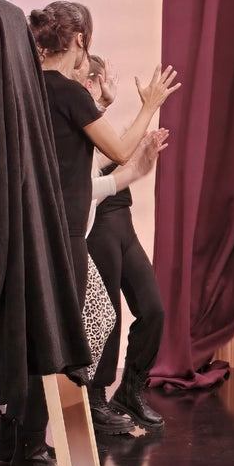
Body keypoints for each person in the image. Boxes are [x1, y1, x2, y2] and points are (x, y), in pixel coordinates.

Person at [0, 1, 179, 466]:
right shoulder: (67, 90)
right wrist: (150, 104)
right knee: (58, 342)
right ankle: (32, 448)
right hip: (64, 237)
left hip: (38, 233)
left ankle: (16, 448)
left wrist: (105, 108)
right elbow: (119, 150)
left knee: (38, 338)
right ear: (79, 41)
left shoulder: (31, 87)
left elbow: (70, 146)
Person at [79, 55, 167, 432]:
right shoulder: (70, 117)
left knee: (153, 309)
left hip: (121, 220)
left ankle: (131, 389)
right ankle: (95, 398)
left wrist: (138, 140)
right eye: (97, 81)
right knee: (107, 316)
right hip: (97, 224)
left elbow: (113, 151)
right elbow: (106, 161)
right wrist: (146, 111)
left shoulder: (90, 116)